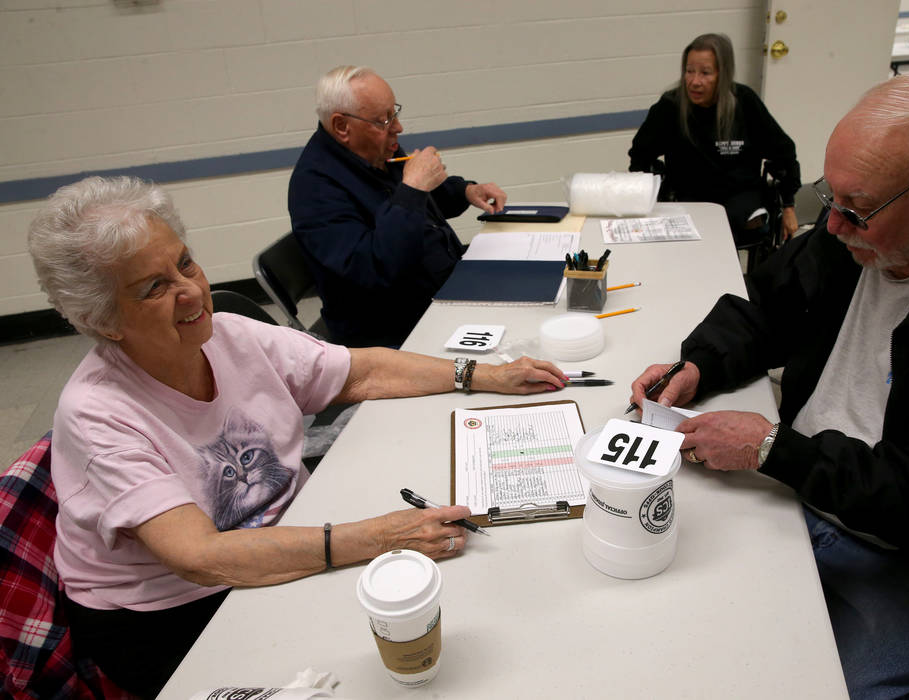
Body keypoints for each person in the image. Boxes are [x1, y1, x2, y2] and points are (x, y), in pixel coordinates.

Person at [27, 176, 565, 698]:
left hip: (282, 531)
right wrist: (377, 538)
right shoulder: (97, 413)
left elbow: (360, 372)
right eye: (154, 287)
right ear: (102, 320)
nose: (191, 290)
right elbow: (200, 557)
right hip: (172, 614)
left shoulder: (230, 335)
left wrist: (482, 375)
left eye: (185, 262)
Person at [629, 74, 909, 699]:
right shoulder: (851, 234)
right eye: (831, 196)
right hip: (800, 488)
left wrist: (775, 450)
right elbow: (764, 306)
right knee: (669, 642)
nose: (832, 224)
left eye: (858, 207)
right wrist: (699, 365)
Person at [288, 65, 508, 348]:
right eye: (382, 120)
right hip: (392, 328)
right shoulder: (315, 189)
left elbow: (424, 202)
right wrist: (412, 188)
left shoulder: (372, 149)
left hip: (441, 287)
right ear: (342, 126)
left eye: (394, 113)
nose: (397, 128)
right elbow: (376, 270)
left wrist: (464, 191)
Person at [628, 33, 801, 246]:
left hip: (739, 197)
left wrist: (789, 206)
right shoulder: (670, 106)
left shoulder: (744, 102)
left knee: (731, 227)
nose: (694, 81)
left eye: (705, 73)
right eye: (689, 71)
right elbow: (640, 155)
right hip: (688, 197)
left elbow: (783, 151)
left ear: (723, 74)